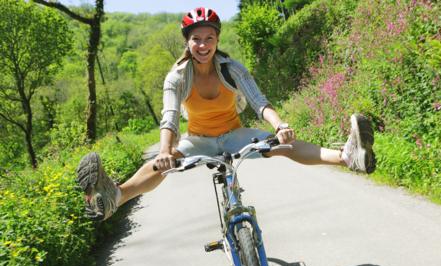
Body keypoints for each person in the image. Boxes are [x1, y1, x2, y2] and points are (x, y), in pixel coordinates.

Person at [76, 7, 376, 221]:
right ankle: (115, 196)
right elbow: (169, 116)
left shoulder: (232, 69)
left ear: (217, 40)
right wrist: (165, 150)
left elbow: (260, 102)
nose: (203, 45)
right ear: (187, 42)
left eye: (209, 38)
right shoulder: (177, 77)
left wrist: (280, 124)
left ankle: (348, 157)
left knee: (280, 145)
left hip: (235, 136)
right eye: (196, 39)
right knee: (160, 165)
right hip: (198, 140)